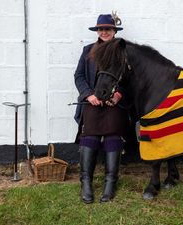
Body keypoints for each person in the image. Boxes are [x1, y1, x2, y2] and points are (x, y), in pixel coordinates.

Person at [73, 13, 128, 204]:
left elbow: (129, 78)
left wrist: (119, 94)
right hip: (93, 102)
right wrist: (89, 94)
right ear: (97, 31)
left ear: (114, 31)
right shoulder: (88, 51)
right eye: (101, 29)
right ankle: (86, 183)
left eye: (108, 29)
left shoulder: (122, 52)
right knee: (90, 136)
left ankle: (110, 184)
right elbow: (79, 76)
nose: (104, 32)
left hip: (114, 103)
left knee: (113, 135)